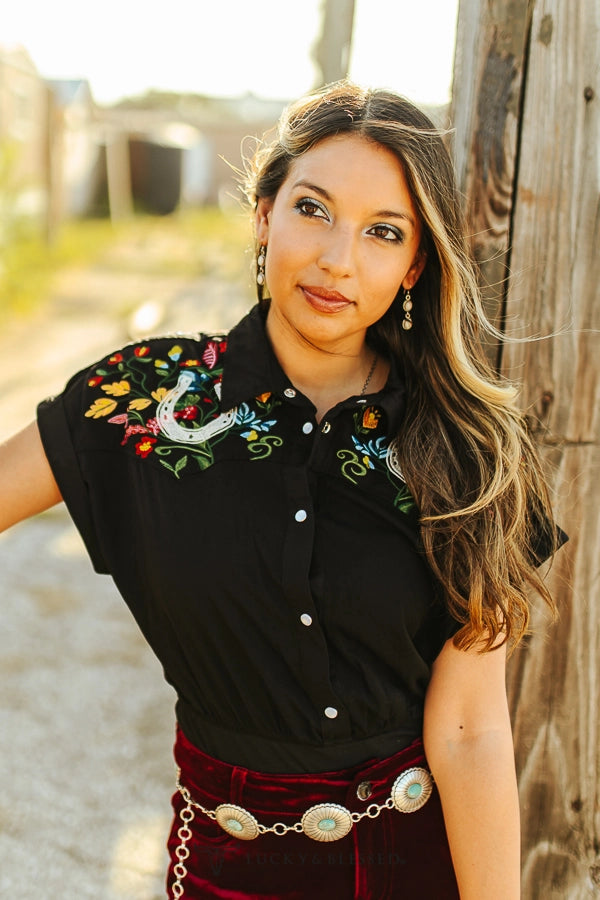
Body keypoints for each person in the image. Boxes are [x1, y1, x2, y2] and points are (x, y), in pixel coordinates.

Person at [0, 81, 565, 899]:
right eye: (313, 209)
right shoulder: (142, 405)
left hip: (413, 868)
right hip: (225, 870)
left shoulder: (467, 448)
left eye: (382, 232)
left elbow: (473, 728)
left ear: (415, 264)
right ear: (264, 215)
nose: (338, 258)